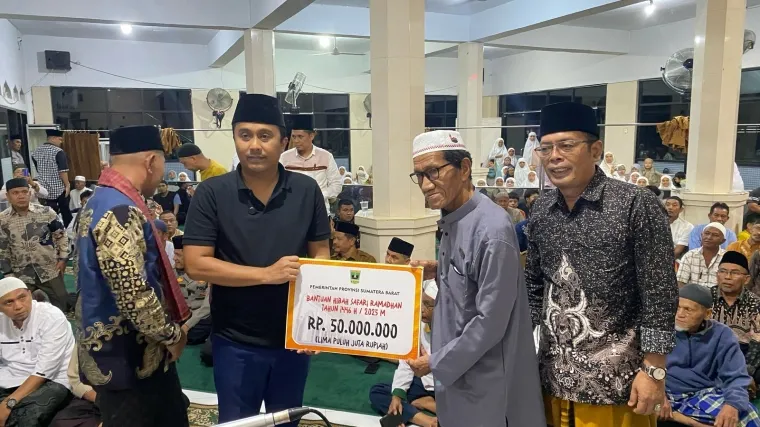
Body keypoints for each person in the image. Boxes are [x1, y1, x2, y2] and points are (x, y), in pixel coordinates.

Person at [525, 102, 677, 427]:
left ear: (595, 150)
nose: (554, 157)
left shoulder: (635, 204)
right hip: (552, 376)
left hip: (617, 384)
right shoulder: (541, 210)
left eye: (566, 145)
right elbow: (534, 287)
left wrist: (654, 370)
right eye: (546, 148)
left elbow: (660, 293)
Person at [181, 94, 330, 424]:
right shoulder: (212, 193)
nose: (254, 146)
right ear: (235, 138)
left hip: (291, 338)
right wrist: (265, 274)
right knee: (238, 422)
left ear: (283, 141)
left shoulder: (306, 191)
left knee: (286, 419)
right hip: (235, 339)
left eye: (265, 136)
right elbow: (196, 263)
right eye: (244, 135)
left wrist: (314, 324)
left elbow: (320, 253)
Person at [407, 130, 544, 426]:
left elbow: (490, 322)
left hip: (486, 383)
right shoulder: (455, 217)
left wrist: (436, 361)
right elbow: (470, 281)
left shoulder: (492, 229)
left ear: (465, 168)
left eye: (434, 172)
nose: (426, 185)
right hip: (458, 372)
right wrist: (439, 270)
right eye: (419, 176)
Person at [75, 125, 190, 427]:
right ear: (151, 161)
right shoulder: (120, 211)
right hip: (128, 356)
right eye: (162, 163)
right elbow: (133, 293)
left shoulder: (98, 200)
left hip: (113, 349)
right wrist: (172, 335)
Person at [660, 283, 760, 427]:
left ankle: (681, 417)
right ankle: (683, 419)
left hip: (704, 393)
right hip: (666, 391)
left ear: (707, 314)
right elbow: (645, 367)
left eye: (688, 309)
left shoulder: (722, 334)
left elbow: (737, 376)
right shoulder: (662, 328)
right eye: (677, 307)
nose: (680, 314)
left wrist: (732, 405)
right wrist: (659, 393)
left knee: (748, 415)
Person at [0, 277, 74, 427]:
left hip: (52, 379)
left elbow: (44, 370)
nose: (18, 306)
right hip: (10, 377)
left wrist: (9, 403)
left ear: (30, 294)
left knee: (26, 417)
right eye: (9, 302)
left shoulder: (51, 316)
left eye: (22, 297)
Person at [369, 281, 438, 427]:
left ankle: (429, 404)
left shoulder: (455, 329)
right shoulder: (418, 325)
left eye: (428, 305)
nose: (422, 309)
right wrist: (397, 396)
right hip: (424, 383)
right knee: (379, 392)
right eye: (421, 303)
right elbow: (407, 362)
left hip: (448, 388)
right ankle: (428, 421)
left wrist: (433, 363)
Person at [0, 178, 69, 311]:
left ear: (30, 193)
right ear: (8, 196)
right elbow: (2, 249)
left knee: (62, 304)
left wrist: (63, 258)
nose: (21, 196)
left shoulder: (46, 212)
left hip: (49, 268)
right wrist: (8, 272)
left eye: (24, 192)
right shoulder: (2, 219)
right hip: (20, 272)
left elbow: (61, 235)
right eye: (15, 193)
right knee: (22, 308)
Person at [710, 251, 760, 388]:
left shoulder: (755, 303)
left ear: (746, 279)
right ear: (717, 275)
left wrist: (745, 372)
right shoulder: (706, 298)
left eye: (735, 273)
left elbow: (757, 343)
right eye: (723, 271)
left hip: (743, 353)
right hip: (709, 352)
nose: (727, 277)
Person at [280, 114, 342, 214]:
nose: (296, 141)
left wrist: (320, 195)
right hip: (292, 211)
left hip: (319, 210)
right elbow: (278, 183)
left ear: (312, 136)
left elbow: (336, 184)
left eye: (300, 137)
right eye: (294, 137)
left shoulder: (326, 156)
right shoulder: (284, 157)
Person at [173, 236, 211, 345]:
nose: (174, 258)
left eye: (178, 255)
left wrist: (187, 326)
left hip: (200, 317)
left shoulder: (207, 273)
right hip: (181, 316)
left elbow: (207, 306)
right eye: (174, 254)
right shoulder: (171, 272)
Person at [50, 348, 102, 427]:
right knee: (61, 423)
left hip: (120, 400)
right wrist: (97, 398)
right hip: (92, 396)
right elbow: (75, 378)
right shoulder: (84, 341)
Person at [30, 129, 72, 227]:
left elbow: (38, 169)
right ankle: (68, 230)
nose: (61, 142)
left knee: (47, 215)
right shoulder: (59, 152)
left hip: (43, 189)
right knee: (65, 212)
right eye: (60, 139)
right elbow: (63, 171)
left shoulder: (36, 151)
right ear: (53, 138)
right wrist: (67, 185)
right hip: (58, 188)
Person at [677, 222, 727, 288]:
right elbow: (680, 282)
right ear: (701, 235)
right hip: (692, 294)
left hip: (717, 294)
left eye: (715, 235)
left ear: (723, 241)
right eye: (706, 233)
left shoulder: (727, 258)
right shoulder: (689, 256)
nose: (709, 237)